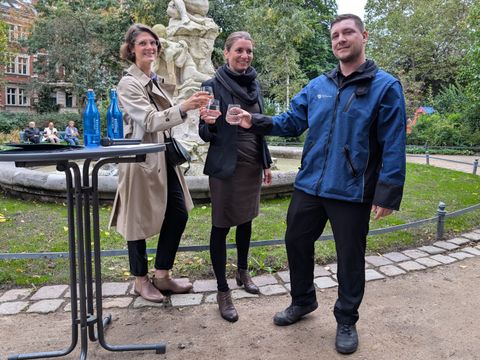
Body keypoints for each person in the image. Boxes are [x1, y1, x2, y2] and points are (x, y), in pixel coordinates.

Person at [232, 14, 406, 354]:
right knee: (296, 241)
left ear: (364, 36)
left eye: (347, 33)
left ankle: (346, 319)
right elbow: (291, 121)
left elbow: (394, 144)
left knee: (349, 258)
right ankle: (302, 300)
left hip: (352, 190)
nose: (340, 39)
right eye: (335, 35)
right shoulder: (318, 86)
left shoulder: (385, 86)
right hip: (310, 185)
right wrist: (254, 121)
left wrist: (387, 192)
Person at [108, 23, 211, 303]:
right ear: (131, 49)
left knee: (179, 213)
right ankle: (141, 280)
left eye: (153, 43)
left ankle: (162, 275)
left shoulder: (154, 79)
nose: (150, 47)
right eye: (143, 43)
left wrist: (190, 109)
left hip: (163, 156)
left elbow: (166, 119)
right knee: (135, 222)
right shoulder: (128, 83)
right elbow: (151, 120)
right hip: (139, 160)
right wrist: (184, 107)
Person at [198, 31, 272, 322]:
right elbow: (204, 134)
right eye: (239, 50)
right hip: (226, 167)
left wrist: (266, 162)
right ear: (226, 53)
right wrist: (211, 123)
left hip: (252, 164)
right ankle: (222, 290)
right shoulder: (212, 85)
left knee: (246, 220)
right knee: (221, 226)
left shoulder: (255, 85)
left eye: (249, 51)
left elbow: (261, 127)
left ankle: (243, 272)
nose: (245, 56)